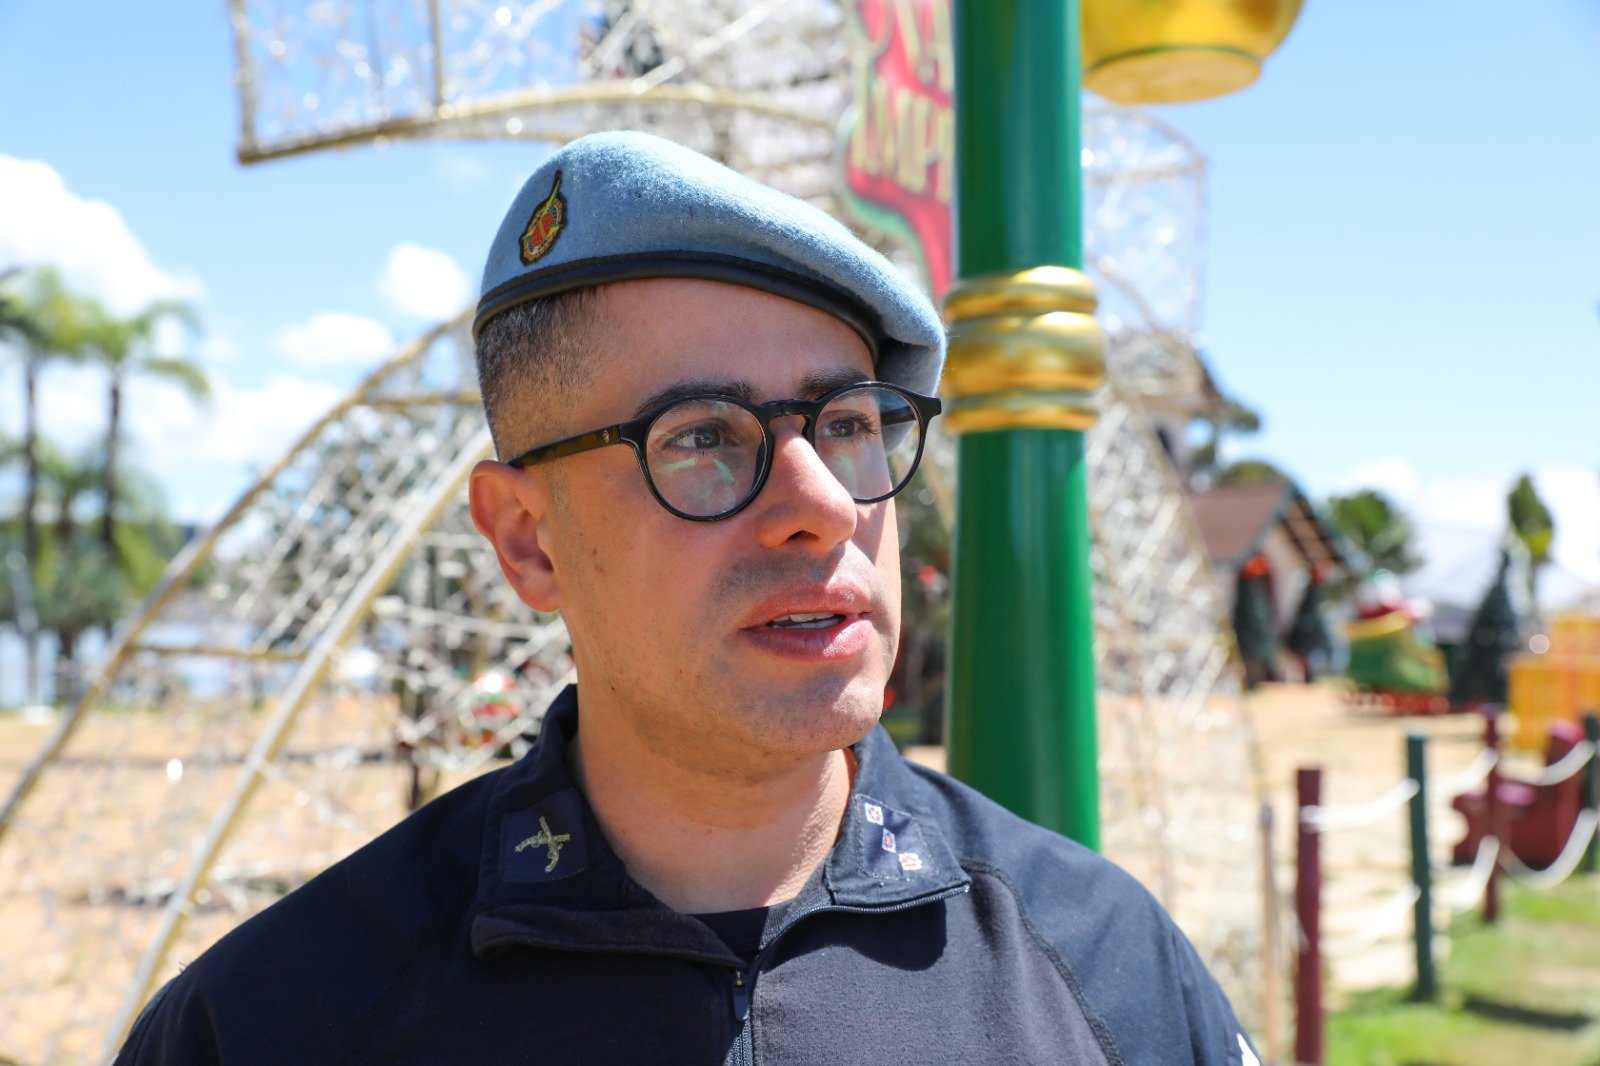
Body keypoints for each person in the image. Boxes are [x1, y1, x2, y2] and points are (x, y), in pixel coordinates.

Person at [118, 131, 1259, 1065]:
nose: (822, 504)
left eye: (849, 424)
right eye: (703, 437)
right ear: (527, 540)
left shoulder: (1103, 966)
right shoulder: (280, 1020)